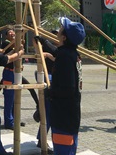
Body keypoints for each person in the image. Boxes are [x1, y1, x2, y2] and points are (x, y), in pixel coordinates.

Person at [48, 17, 85, 155]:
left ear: (63, 37)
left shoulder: (65, 56)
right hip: (71, 115)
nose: (58, 30)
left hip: (63, 116)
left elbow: (67, 89)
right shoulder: (73, 54)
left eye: (61, 29)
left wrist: (50, 92)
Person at [0, 26, 38, 129]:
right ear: (6, 35)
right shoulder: (6, 44)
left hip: (16, 72)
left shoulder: (16, 43)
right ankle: (9, 122)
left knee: (15, 98)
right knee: (9, 97)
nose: (12, 34)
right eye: (10, 33)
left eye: (13, 33)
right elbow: (17, 49)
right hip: (8, 73)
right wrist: (21, 39)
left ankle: (14, 119)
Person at [33, 32, 59, 154]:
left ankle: (42, 139)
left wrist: (49, 55)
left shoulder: (58, 49)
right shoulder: (47, 46)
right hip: (48, 79)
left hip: (54, 80)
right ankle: (42, 140)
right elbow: (37, 41)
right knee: (49, 113)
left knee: (50, 113)